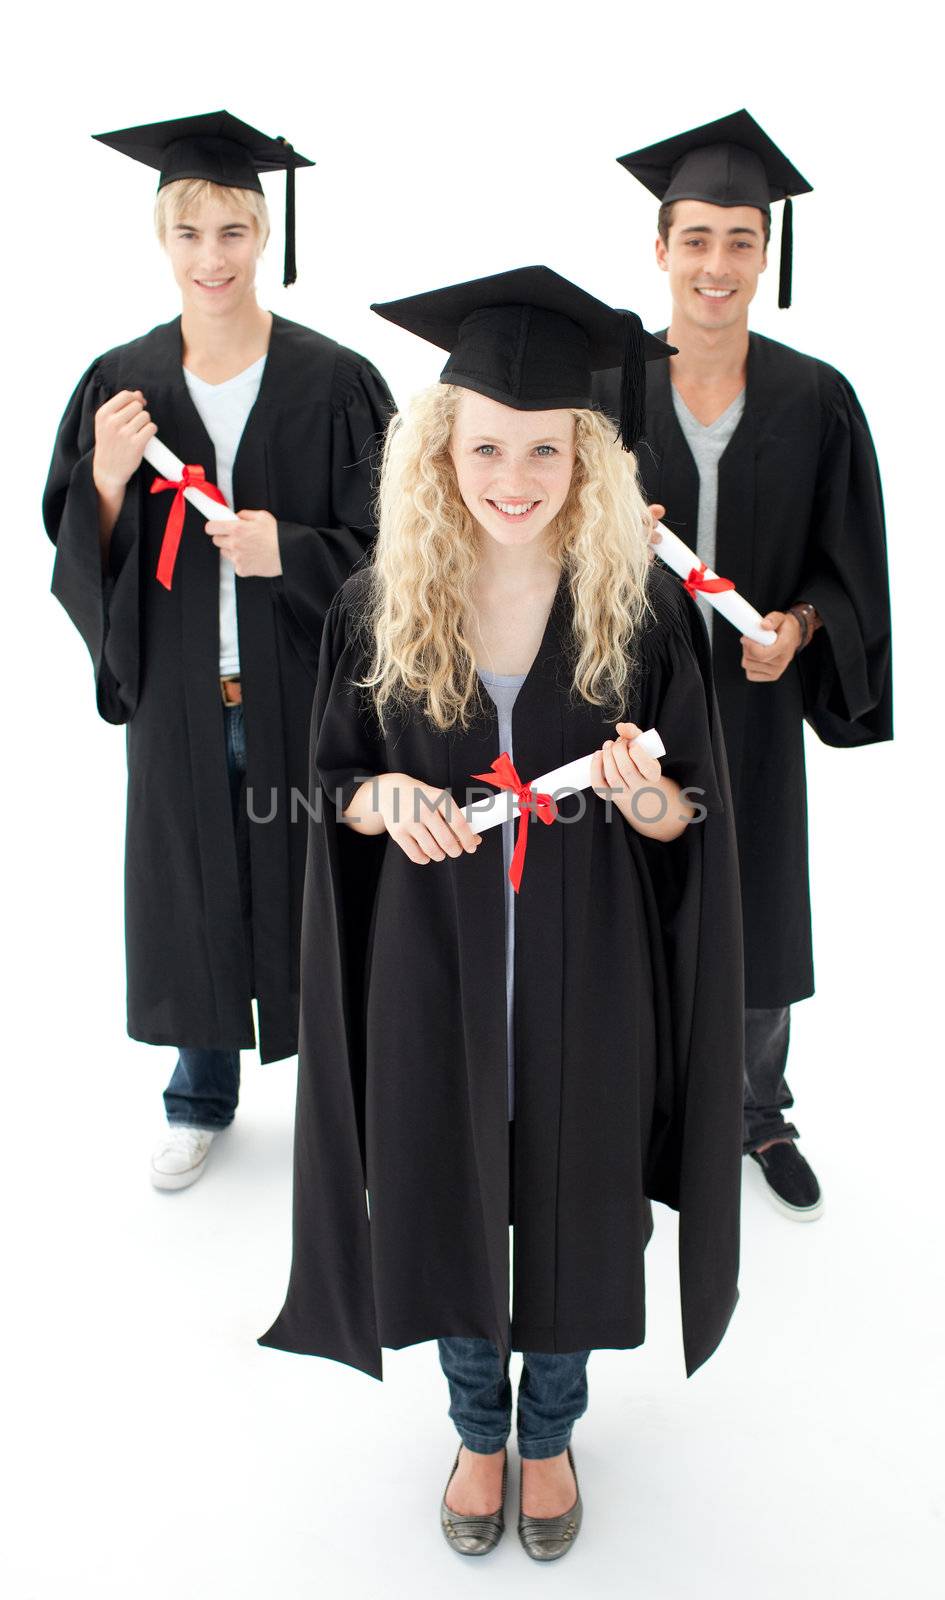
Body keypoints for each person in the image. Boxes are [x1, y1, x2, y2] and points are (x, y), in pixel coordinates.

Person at [260, 267, 745, 1559]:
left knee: (580, 1210)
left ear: (584, 458)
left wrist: (644, 799)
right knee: (445, 1192)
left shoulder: (636, 611)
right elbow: (330, 787)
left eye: (543, 447)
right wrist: (387, 804)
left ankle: (552, 1430)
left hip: (594, 973)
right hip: (435, 971)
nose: (513, 475)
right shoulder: (379, 608)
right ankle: (480, 1427)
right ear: (439, 452)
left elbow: (688, 812)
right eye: (485, 447)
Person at [43, 111, 394, 1190]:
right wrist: (105, 480)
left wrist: (285, 549)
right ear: (163, 239)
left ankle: (356, 1110)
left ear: (264, 233)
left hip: (305, 696)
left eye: (233, 231)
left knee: (325, 894)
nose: (212, 257)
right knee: (193, 887)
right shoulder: (123, 385)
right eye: (190, 231)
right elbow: (75, 547)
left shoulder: (336, 381)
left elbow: (400, 553)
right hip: (186, 699)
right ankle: (200, 1095)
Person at [594, 111, 893, 1220]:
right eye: (696, 240)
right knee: (625, 900)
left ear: (767, 255)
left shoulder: (816, 397)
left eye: (740, 241)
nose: (716, 266)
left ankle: (758, 1113)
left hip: (754, 709)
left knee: (757, 901)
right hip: (623, 708)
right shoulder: (603, 387)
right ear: (659, 249)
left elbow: (845, 560)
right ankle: (634, 1109)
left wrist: (801, 632)